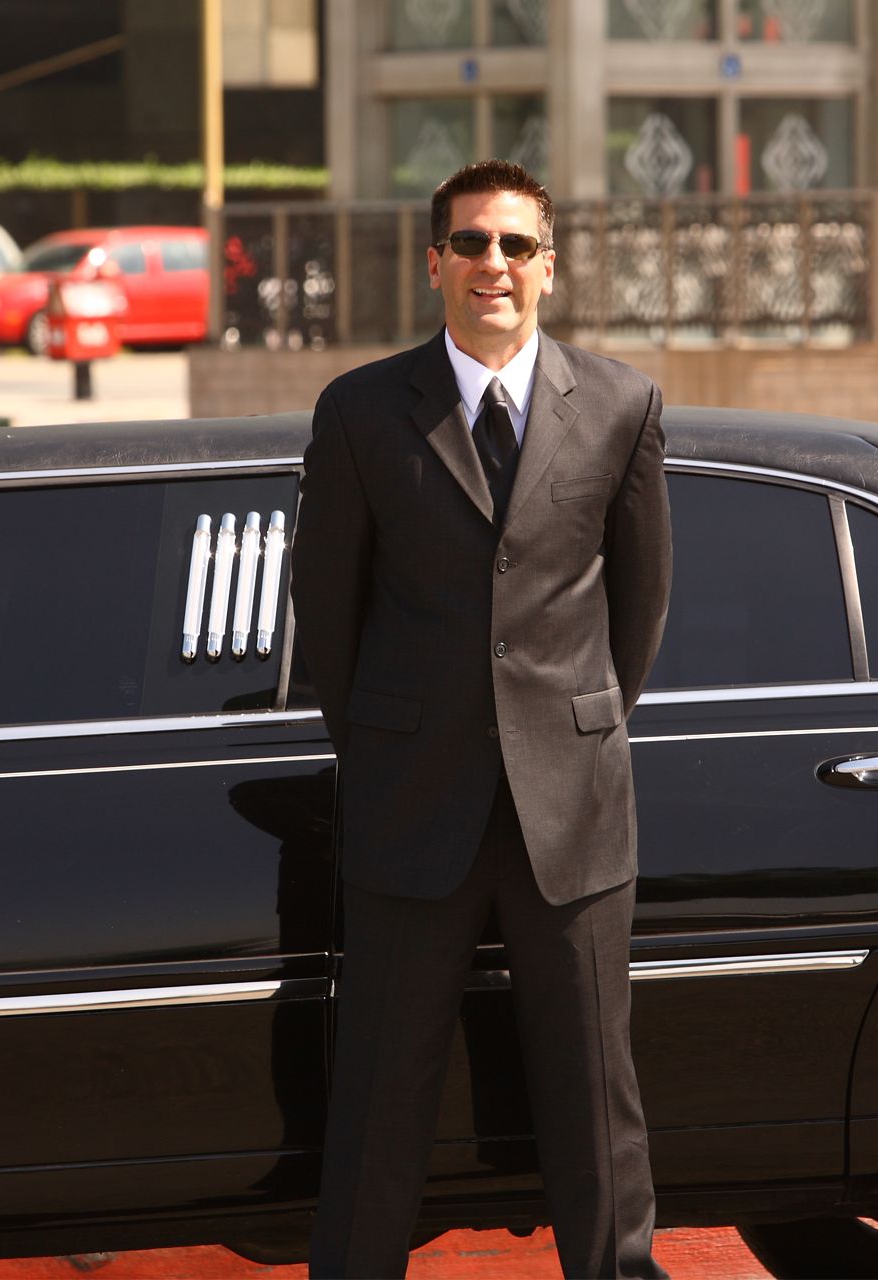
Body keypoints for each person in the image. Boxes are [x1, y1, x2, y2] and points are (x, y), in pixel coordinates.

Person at [291, 159, 673, 1280]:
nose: (491, 265)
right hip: (413, 806)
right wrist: (388, 750)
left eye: (514, 245)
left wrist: (573, 730)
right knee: (378, 1094)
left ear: (549, 266)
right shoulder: (360, 411)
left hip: (576, 811)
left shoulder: (621, 405)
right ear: (433, 264)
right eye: (469, 243)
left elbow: (638, 612)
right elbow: (330, 616)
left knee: (596, 1099)